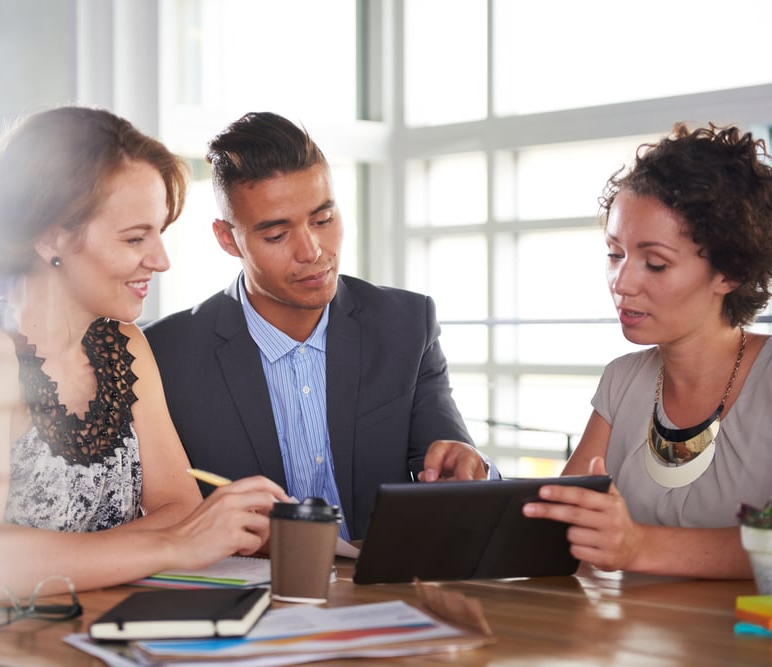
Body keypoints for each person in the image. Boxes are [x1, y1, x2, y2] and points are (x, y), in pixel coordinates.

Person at [0, 107, 288, 597]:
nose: (160, 260)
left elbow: (181, 511)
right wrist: (170, 547)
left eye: (159, 233)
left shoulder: (125, 347)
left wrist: (170, 537)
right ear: (51, 237)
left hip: (69, 633)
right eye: (134, 238)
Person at [143, 111, 494, 541]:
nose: (312, 251)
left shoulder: (405, 325)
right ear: (228, 238)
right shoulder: (165, 355)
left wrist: (471, 467)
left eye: (323, 220)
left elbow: (454, 465)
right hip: (248, 596)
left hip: (380, 592)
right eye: (276, 235)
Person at [523, 123, 772, 579]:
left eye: (655, 263)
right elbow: (557, 532)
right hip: (637, 646)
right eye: (614, 253)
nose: (622, 283)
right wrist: (472, 497)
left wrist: (638, 547)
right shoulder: (622, 380)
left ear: (730, 272)